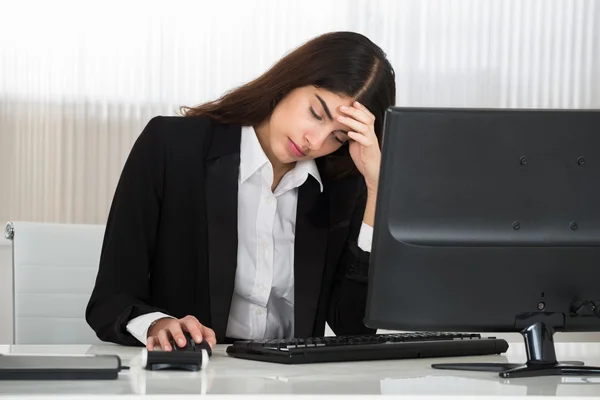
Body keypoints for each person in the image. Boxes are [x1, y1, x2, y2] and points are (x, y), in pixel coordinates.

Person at [85, 31, 396, 352]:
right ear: (290, 81)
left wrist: (375, 188)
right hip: (197, 376)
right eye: (316, 114)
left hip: (293, 379)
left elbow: (354, 327)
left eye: (339, 137)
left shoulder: (341, 187)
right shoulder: (172, 148)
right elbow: (109, 301)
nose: (314, 142)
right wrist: (157, 324)